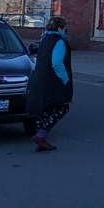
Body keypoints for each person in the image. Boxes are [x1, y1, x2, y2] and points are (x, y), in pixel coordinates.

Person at [27, 15, 73, 152]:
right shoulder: (59, 41)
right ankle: (41, 135)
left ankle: (41, 138)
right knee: (62, 107)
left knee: (45, 108)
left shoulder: (44, 38)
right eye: (64, 28)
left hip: (39, 79)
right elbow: (57, 63)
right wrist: (65, 79)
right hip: (53, 81)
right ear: (60, 28)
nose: (65, 31)